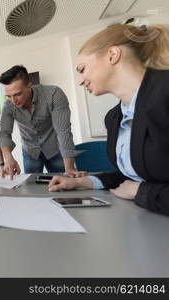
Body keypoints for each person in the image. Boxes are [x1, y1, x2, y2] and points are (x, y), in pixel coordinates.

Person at [49, 24, 169, 216]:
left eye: (82, 69)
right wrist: (81, 182)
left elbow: (138, 184)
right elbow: (134, 173)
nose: (80, 80)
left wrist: (141, 192)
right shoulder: (114, 117)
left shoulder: (164, 94)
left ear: (112, 55)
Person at [0, 65, 85, 178]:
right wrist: (8, 158)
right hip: (30, 152)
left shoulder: (54, 94)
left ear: (29, 86)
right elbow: (4, 133)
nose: (13, 101)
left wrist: (69, 168)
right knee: (32, 187)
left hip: (55, 150)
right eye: (8, 96)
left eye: (17, 94)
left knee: (64, 183)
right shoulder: (8, 105)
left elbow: (63, 131)